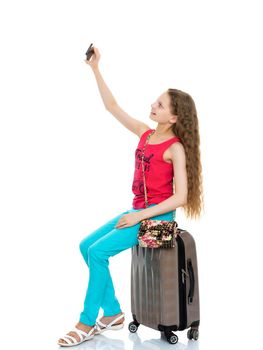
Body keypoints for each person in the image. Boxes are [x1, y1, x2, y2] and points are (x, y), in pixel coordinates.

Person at [57, 46, 204, 346]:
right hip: (140, 212)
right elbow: (112, 106)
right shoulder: (146, 134)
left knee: (98, 253)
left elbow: (181, 198)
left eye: (161, 105)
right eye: (156, 101)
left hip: (158, 221)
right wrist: (96, 69)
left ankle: (87, 322)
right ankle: (111, 313)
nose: (153, 105)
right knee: (87, 246)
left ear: (174, 117)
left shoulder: (174, 148)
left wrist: (138, 216)